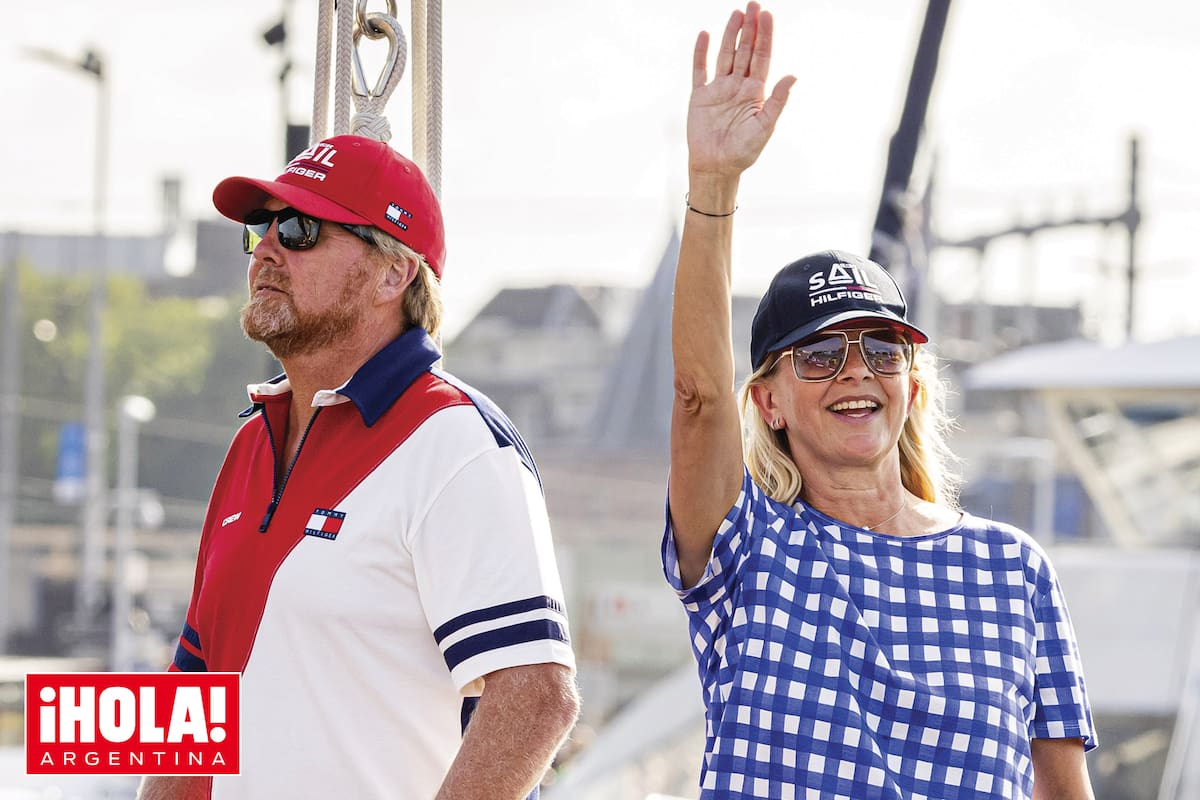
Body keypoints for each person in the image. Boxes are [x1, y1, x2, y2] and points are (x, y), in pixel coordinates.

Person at [664, 4, 1097, 798]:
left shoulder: (1015, 570)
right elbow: (697, 396)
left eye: (882, 350)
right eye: (821, 355)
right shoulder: (749, 552)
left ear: (913, 382)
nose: (856, 372)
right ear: (768, 402)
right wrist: (714, 184)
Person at [138, 135, 579, 800]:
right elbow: (194, 702)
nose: (266, 249)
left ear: (394, 273)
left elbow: (539, 698)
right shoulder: (252, 442)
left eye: (299, 228)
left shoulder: (455, 443)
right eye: (262, 228)